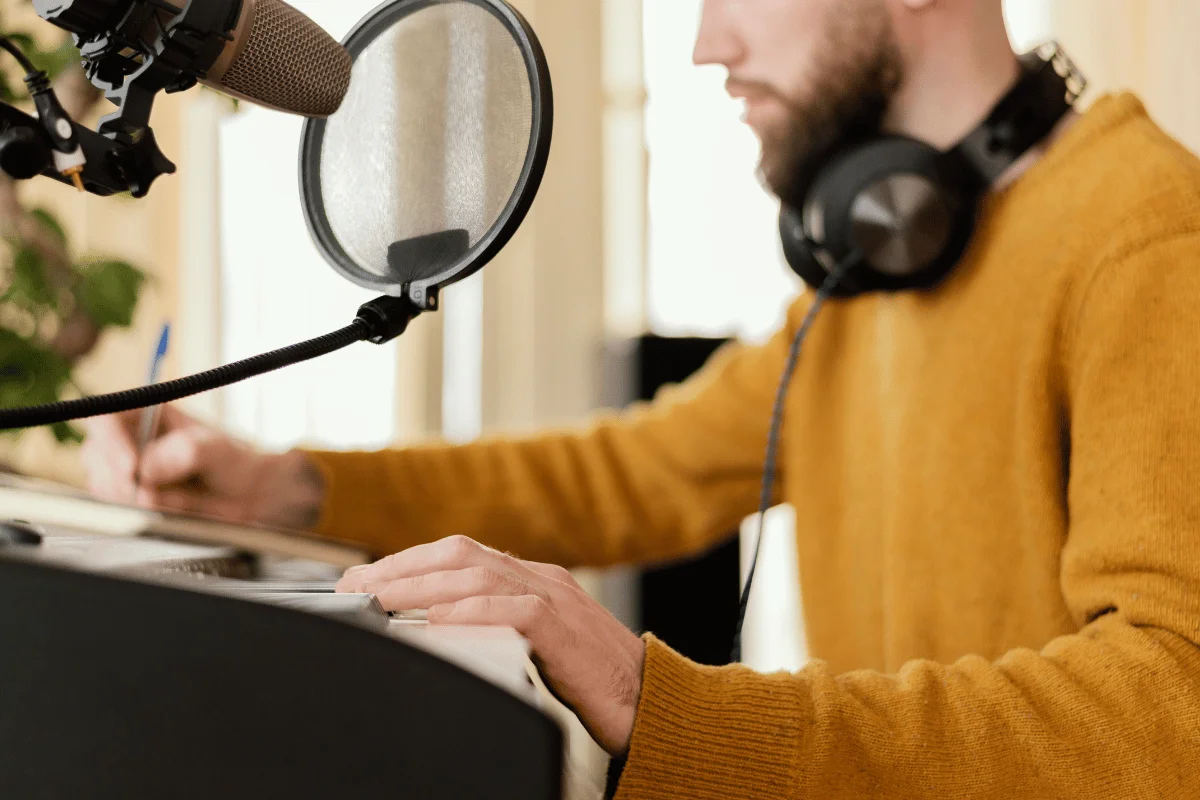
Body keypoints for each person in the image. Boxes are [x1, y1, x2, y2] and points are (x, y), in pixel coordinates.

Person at [83, 0, 1200, 796]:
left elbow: (1173, 704)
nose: (709, 42)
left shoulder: (1144, 235)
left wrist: (674, 709)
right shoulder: (864, 277)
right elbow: (629, 474)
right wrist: (294, 486)